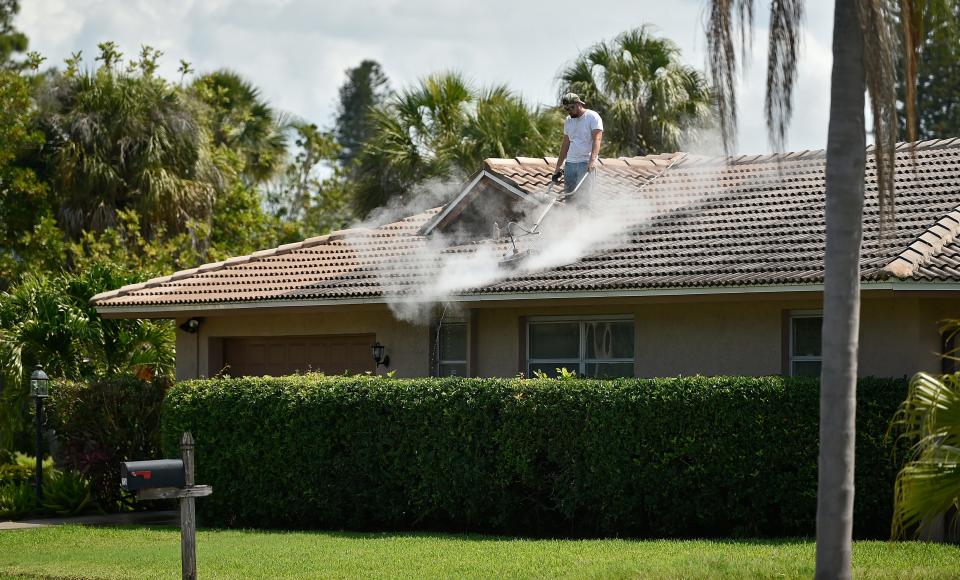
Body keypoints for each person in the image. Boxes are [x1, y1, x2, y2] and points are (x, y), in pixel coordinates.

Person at [552, 93, 603, 198]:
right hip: (570, 164)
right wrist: (558, 168)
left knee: (584, 198)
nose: (569, 111)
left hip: (585, 163)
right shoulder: (568, 120)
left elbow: (597, 139)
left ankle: (584, 215)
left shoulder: (592, 117)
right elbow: (565, 145)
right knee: (569, 198)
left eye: (571, 107)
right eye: (567, 109)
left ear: (579, 104)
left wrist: (592, 161)